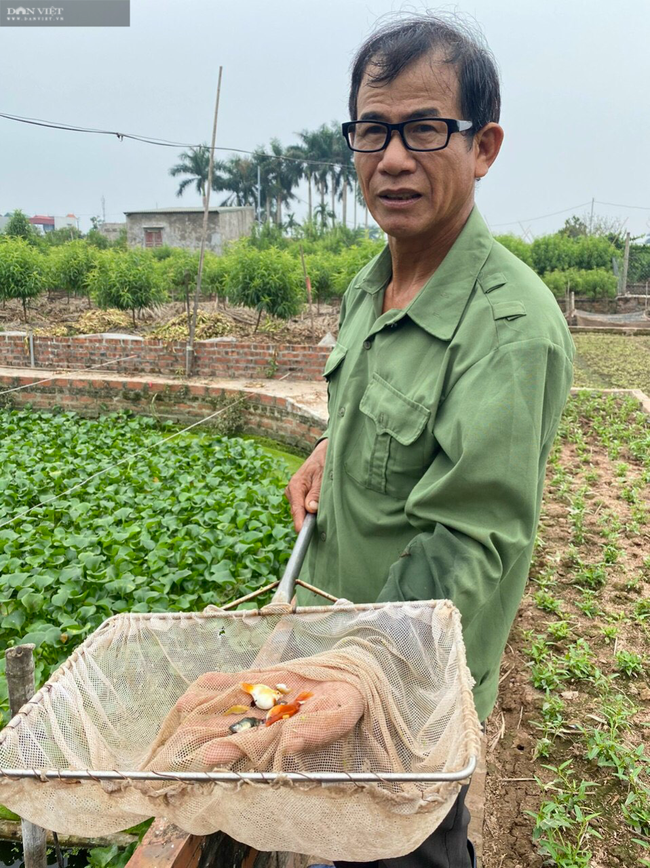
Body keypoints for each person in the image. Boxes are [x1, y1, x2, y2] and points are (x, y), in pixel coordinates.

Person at [285, 13, 574, 868]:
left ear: (482, 147)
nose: (393, 158)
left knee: (409, 854)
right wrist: (331, 449)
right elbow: (382, 419)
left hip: (403, 695)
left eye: (423, 129)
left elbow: (470, 545)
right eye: (372, 130)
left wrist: (351, 676)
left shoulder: (510, 327)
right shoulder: (369, 286)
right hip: (333, 652)